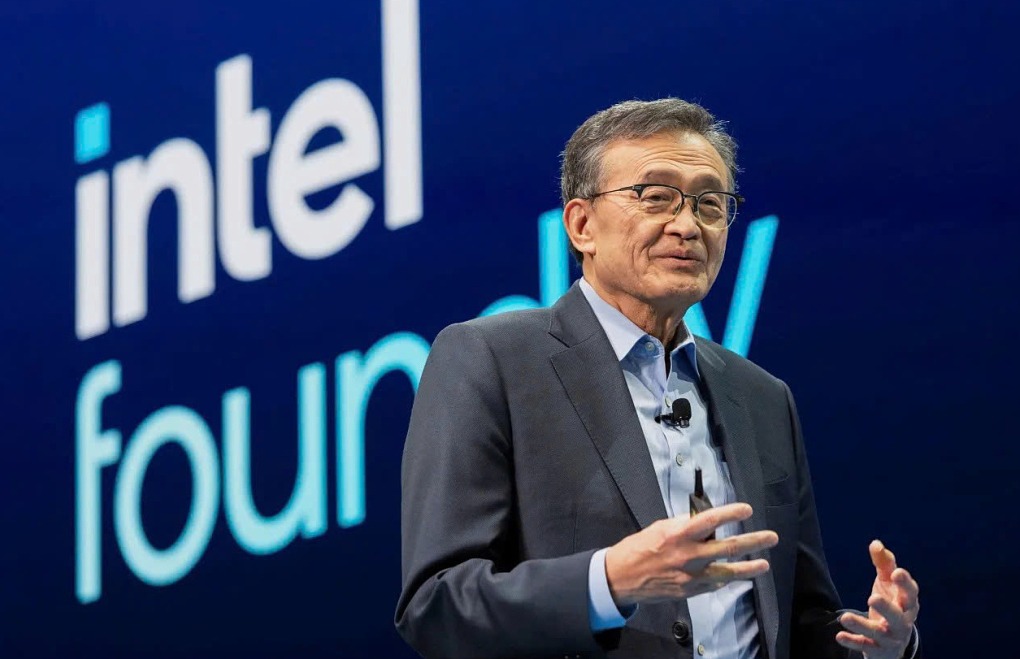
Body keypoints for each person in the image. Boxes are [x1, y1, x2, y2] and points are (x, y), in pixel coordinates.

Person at [395, 99, 920, 659]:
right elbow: (438, 606)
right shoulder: (490, 359)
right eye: (656, 197)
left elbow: (796, 621)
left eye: (710, 203)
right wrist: (609, 581)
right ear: (582, 225)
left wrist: (876, 645)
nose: (688, 225)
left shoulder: (764, 397)